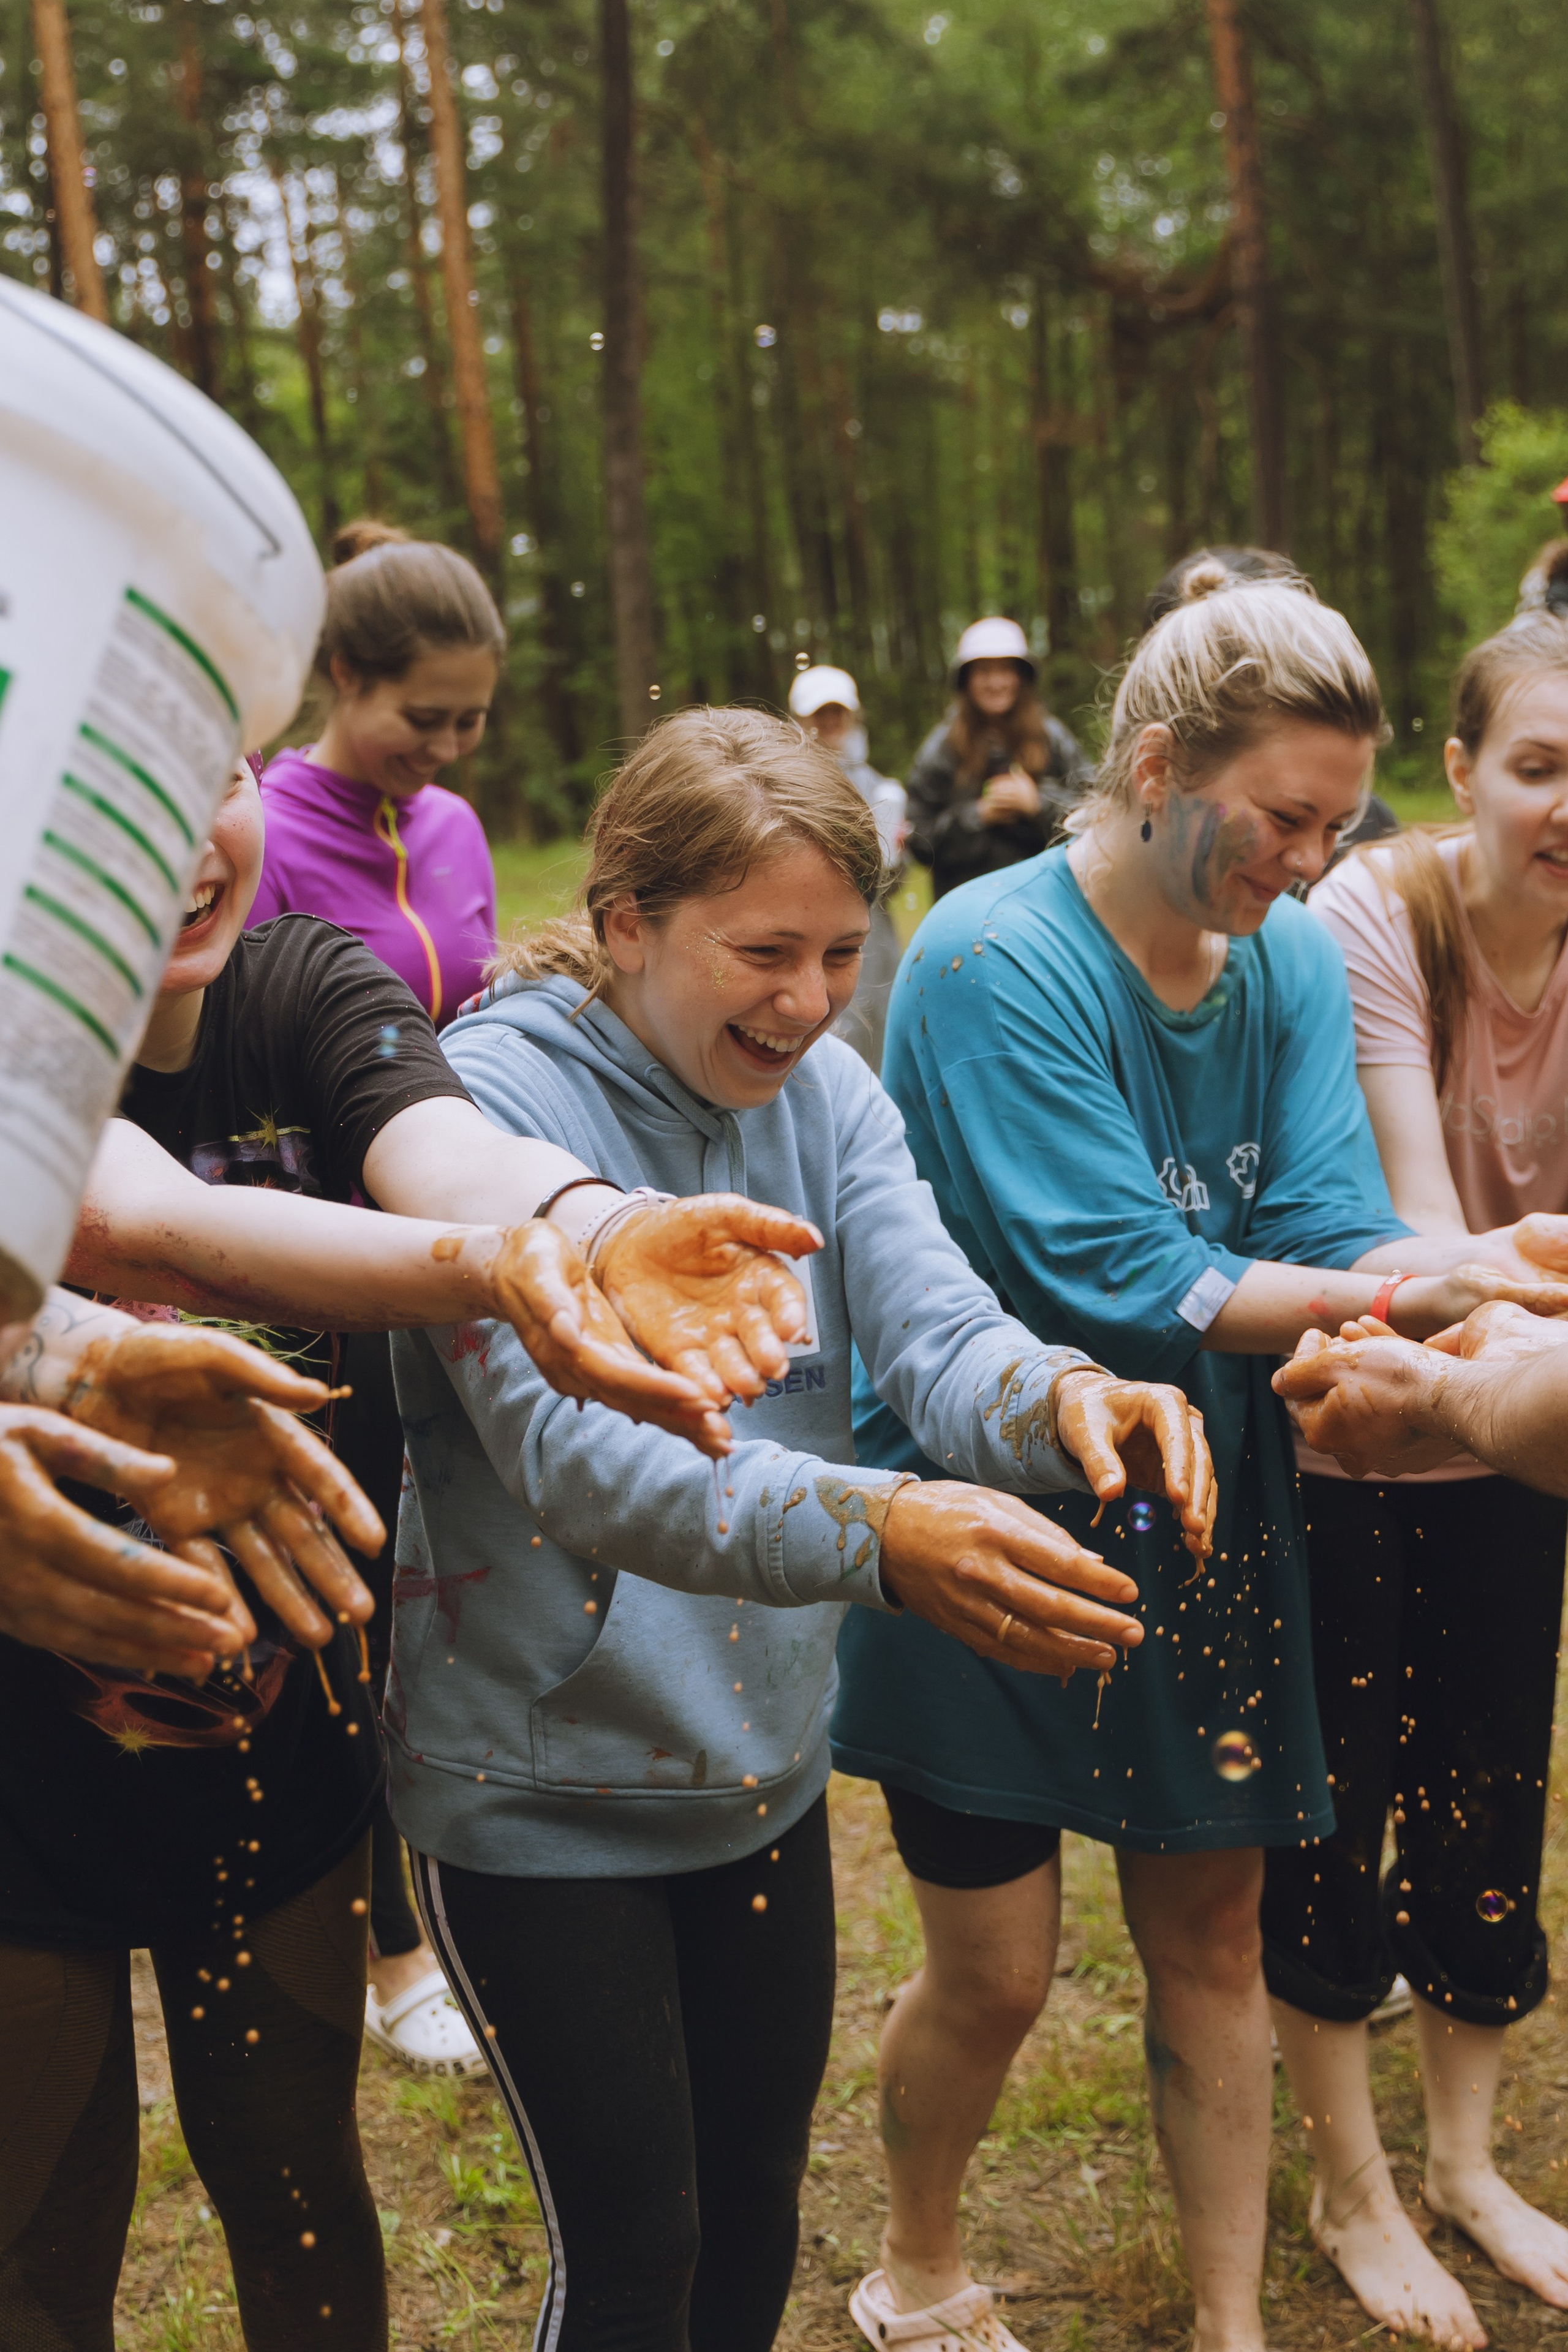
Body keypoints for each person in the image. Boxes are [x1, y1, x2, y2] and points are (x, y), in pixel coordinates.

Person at [384, 705, 1216, 2352]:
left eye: (842, 952)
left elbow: (933, 1326)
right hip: (537, 1788)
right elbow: (574, 1459)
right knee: (637, 2260)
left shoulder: (828, 1090)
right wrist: (889, 1528)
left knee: (754, 2217)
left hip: (752, 1771)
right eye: (763, 952)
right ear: (628, 923)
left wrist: (1060, 1399)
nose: (811, 1002)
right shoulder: (481, 1108)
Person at [828, 564, 1568, 2352]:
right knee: (998, 1974)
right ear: (1156, 762)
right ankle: (914, 2261)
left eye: (1336, 820)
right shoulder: (990, 954)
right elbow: (1118, 1270)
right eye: (1281, 814)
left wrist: (1459, 1270)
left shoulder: (1289, 953)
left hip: (1211, 1509)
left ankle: (1227, 2324)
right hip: (985, 1512)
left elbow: (1322, 1213)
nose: (1313, 859)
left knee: (1218, 1938)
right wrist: (1444, 1278)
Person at [0, 752, 819, 2352]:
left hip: (275, 1755)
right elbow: (137, 1214)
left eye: (210, 761)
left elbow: (454, 1154)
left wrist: (572, 1223)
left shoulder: (305, 984)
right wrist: (500, 1268)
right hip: (17, 1776)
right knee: (39, 2224)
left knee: (292, 2171)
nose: (179, 827)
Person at [1258, 601, 1568, 2346]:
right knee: (1338, 1799)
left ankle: (1464, 2162)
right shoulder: (1371, 911)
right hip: (1368, 1410)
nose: (1566, 809)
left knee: (1492, 1784)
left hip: (1522, 1428)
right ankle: (1347, 2184)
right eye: (1538, 769)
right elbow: (1416, 1221)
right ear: (1460, 774)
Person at [251, 518, 503, 2070]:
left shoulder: (461, 828)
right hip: (304, 1276)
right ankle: (382, 1941)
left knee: (436, 1599)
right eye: (422, 714)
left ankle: (439, 1898)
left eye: (473, 718)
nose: (448, 748)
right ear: (340, 676)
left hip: (447, 1273)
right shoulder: (265, 827)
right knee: (341, 1608)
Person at [905, 616, 1092, 899]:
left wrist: (1038, 805)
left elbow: (1095, 815)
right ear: (966, 680)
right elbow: (919, 838)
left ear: (1022, 677)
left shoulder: (1053, 738)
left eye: (1005, 670)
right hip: (965, 904)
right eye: (983, 671)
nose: (996, 682)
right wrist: (978, 816)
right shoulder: (941, 749)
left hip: (1047, 901)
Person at [789, 663, 906, 1069]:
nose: (831, 723)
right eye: (820, 714)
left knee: (878, 1015)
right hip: (807, 921)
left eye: (838, 713)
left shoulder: (881, 787)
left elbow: (889, 876)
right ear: (801, 720)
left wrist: (898, 856)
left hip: (873, 927)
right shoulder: (788, 782)